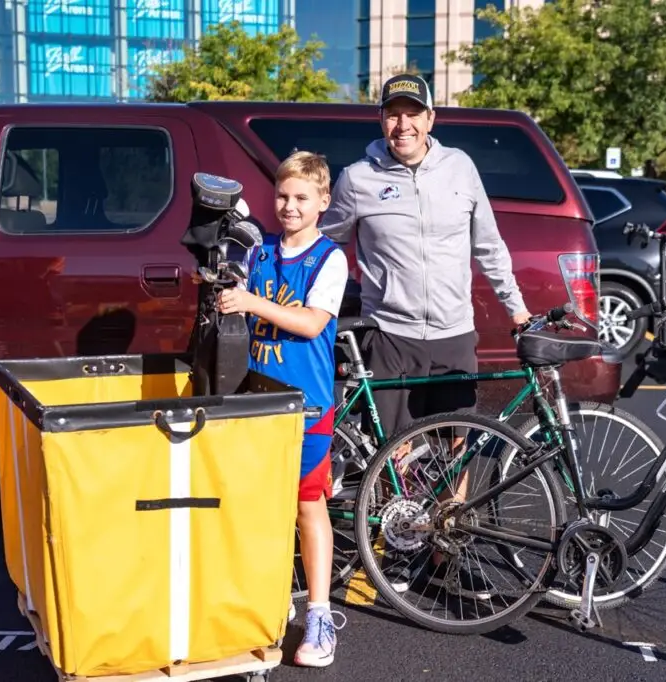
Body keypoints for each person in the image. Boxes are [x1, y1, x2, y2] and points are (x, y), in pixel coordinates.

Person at [319, 73, 532, 598]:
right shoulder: (358, 178)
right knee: (397, 451)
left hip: (455, 332)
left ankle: (445, 554)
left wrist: (518, 310)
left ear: (431, 119)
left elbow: (489, 246)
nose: (403, 123)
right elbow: (322, 242)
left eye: (413, 113)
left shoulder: (459, 168)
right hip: (391, 331)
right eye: (393, 113)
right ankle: (396, 550)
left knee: (453, 449)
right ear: (382, 121)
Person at [216, 151, 347, 668]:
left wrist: (250, 303)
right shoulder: (258, 249)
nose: (289, 206)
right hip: (254, 401)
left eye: (301, 198)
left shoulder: (329, 258)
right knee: (252, 508)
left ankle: (318, 613)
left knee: (307, 505)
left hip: (306, 404)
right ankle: (257, 605)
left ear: (323, 202)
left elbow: (313, 323)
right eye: (282, 197)